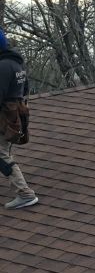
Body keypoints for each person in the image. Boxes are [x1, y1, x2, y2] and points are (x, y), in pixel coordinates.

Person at [0, 29, 38, 209]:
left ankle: (25, 193)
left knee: (1, 155)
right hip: (14, 115)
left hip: (4, 116)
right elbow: (25, 89)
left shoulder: (3, 66)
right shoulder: (17, 63)